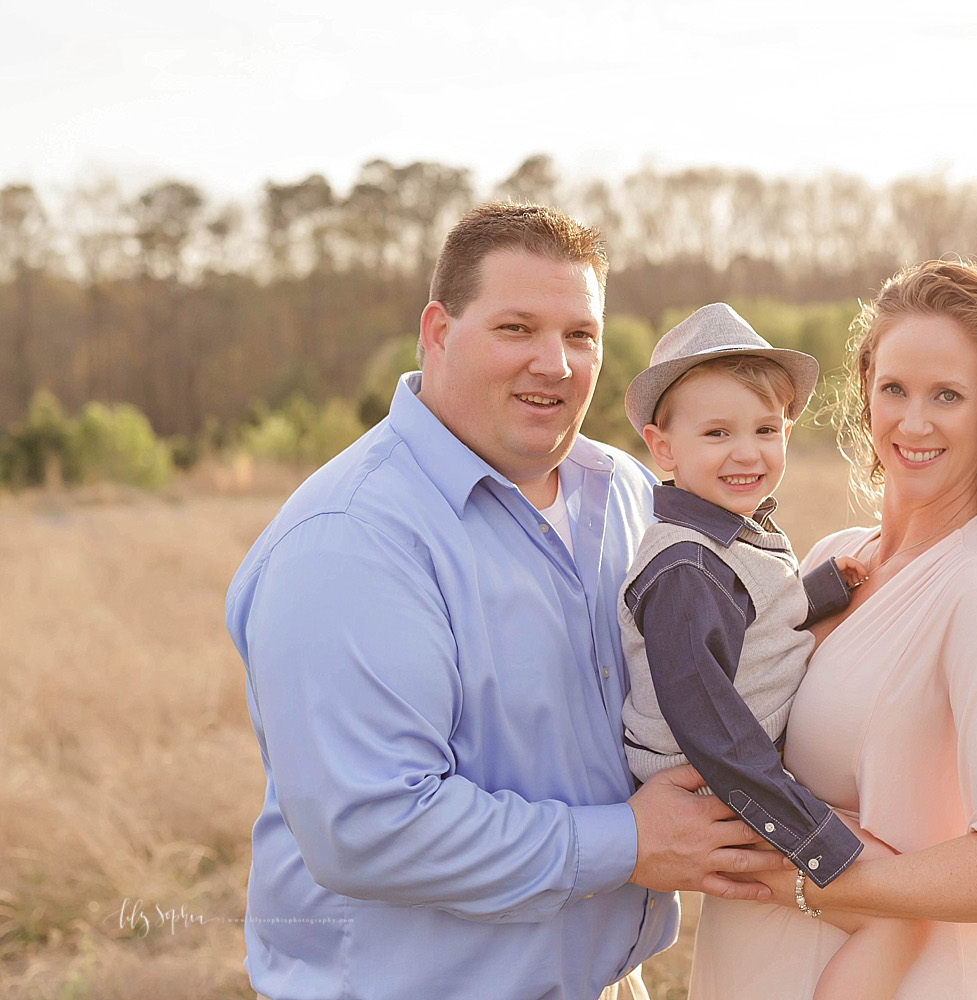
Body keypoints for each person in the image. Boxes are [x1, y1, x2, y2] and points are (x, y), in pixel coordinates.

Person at [224, 203, 790, 1000]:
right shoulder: (351, 539)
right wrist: (625, 843)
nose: (555, 364)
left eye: (580, 335)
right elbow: (371, 829)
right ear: (438, 332)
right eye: (516, 329)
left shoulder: (628, 495)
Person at [688, 258, 977, 999]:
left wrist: (826, 883)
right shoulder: (838, 557)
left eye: (948, 396)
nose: (914, 420)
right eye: (893, 388)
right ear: (865, 393)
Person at [617, 302, 929, 1000]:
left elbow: (752, 625)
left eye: (765, 430)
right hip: (711, 793)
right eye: (717, 432)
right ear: (663, 448)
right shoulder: (683, 571)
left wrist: (819, 592)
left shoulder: (733, 538)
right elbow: (712, 727)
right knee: (894, 913)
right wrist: (811, 834)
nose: (747, 452)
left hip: (738, 781)